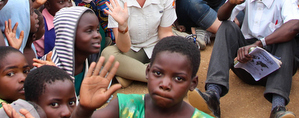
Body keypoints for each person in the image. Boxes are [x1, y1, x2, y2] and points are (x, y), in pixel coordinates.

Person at [191, 0, 299, 118]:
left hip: (275, 67)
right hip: (246, 64)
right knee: (227, 26)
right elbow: (221, 17)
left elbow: (295, 25)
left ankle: (278, 108)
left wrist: (260, 44)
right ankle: (213, 95)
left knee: (287, 39)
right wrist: (231, 3)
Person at [73, 38, 214, 118]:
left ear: (193, 83)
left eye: (178, 79)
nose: (165, 84)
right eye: (158, 74)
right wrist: (84, 109)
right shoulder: (124, 106)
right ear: (148, 72)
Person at [101, 0, 176, 87]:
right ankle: (157, 77)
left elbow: (165, 33)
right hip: (131, 50)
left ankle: (131, 74)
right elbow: (123, 48)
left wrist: (171, 53)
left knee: (185, 49)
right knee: (107, 56)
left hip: (156, 46)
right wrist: (123, 26)